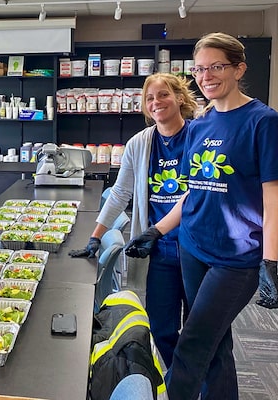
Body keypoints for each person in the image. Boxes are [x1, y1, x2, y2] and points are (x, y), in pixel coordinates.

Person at [124, 32, 278, 400]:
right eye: (199, 69)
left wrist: (270, 261)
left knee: (193, 342)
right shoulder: (200, 124)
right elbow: (193, 191)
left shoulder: (264, 122)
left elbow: (274, 197)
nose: (206, 76)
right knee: (215, 344)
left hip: (236, 258)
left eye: (216, 67)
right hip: (193, 247)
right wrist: (156, 230)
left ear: (239, 69)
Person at [69, 73, 197, 368]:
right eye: (150, 98)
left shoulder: (199, 135)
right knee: (161, 328)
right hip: (159, 251)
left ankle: (191, 382)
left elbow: (201, 191)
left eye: (163, 95)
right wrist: (95, 236)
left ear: (179, 98)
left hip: (196, 249)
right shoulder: (139, 143)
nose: (156, 102)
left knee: (197, 330)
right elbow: (120, 193)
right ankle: (179, 378)